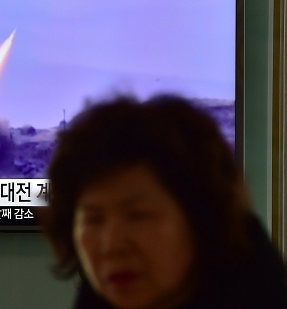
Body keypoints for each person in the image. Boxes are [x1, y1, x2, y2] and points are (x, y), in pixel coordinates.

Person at [39, 94, 287, 309]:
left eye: (138, 215)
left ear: (202, 217)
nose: (110, 245)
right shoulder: (111, 290)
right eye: (93, 219)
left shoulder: (262, 293)